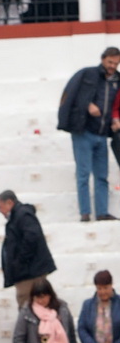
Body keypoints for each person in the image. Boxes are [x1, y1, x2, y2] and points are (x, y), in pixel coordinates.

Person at [56, 47, 120, 222]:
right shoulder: (87, 75)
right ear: (102, 59)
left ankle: (101, 212)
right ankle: (85, 212)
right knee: (83, 173)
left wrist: (115, 120)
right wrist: (88, 105)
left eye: (116, 63)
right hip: (83, 132)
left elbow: (116, 106)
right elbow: (71, 96)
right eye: (110, 62)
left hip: (102, 134)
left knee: (102, 176)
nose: (112, 66)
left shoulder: (117, 81)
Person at [0, 189, 56, 310]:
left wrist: (18, 262)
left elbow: (31, 239)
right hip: (25, 272)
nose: (0, 211)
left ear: (9, 203)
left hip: (30, 273)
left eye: (1, 207)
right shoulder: (17, 217)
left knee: (28, 307)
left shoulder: (23, 215)